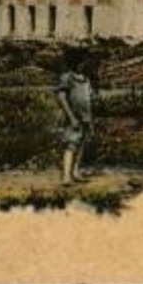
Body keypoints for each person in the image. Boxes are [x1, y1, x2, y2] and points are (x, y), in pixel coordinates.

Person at [54, 47, 95, 184]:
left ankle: (75, 171)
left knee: (81, 146)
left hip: (85, 117)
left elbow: (88, 100)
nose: (86, 64)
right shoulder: (67, 78)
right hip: (74, 118)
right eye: (83, 62)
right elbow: (61, 98)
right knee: (71, 145)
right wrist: (71, 117)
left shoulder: (86, 80)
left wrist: (90, 120)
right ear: (76, 62)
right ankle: (66, 175)